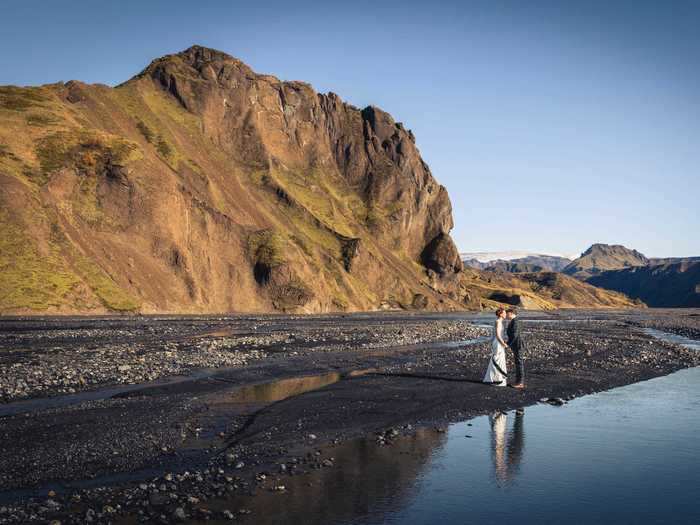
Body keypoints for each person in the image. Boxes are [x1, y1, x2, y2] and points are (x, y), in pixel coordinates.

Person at [483, 307, 508, 386]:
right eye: (504, 313)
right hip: (498, 343)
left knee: (498, 359)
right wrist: (503, 343)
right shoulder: (498, 322)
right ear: (500, 314)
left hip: (499, 342)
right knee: (497, 360)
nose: (505, 314)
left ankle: (493, 378)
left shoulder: (500, 321)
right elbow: (497, 335)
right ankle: (497, 379)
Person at [506, 307, 526, 388]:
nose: (506, 315)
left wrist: (508, 344)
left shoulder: (516, 322)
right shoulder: (514, 321)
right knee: (518, 362)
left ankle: (520, 383)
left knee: (519, 363)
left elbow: (514, 335)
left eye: (507, 314)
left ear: (511, 313)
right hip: (516, 344)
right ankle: (518, 381)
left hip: (518, 344)